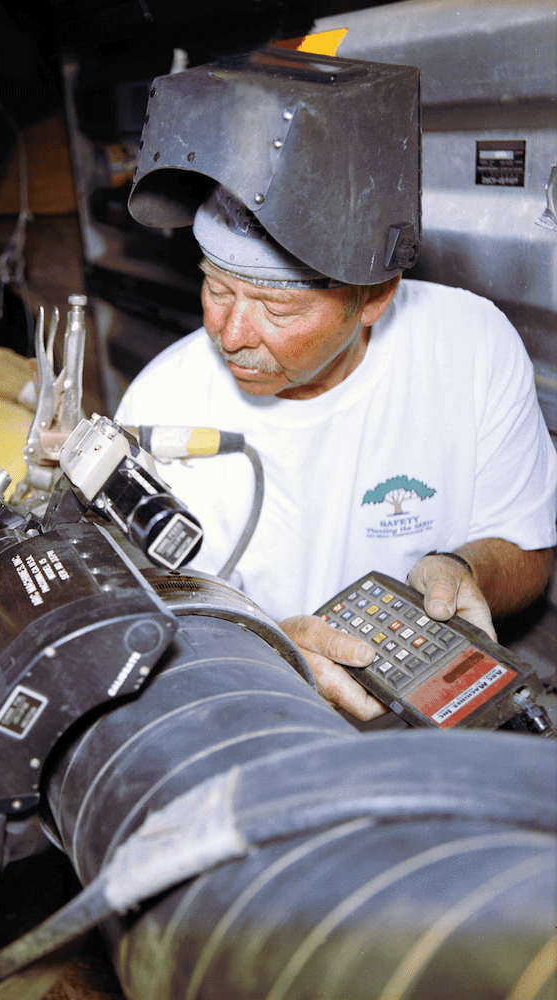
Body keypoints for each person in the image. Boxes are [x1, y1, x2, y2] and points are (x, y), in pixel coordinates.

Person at [116, 48, 557, 721]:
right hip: (260, 717)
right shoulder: (159, 406)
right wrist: (272, 653)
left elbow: (526, 552)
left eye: (277, 309)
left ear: (373, 297)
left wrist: (465, 570)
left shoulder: (471, 344)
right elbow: (151, 630)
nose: (230, 333)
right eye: (214, 286)